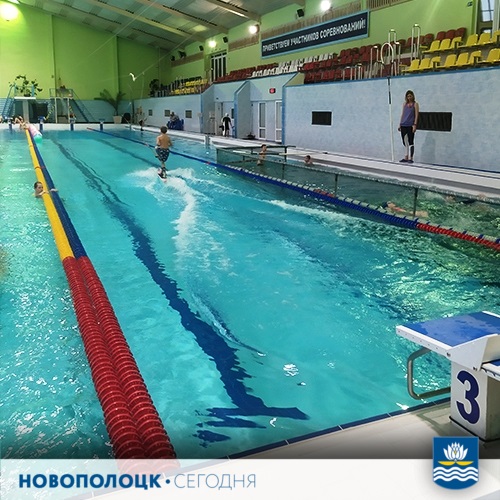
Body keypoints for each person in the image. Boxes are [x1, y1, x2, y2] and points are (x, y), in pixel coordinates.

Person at [398, 90, 419, 164]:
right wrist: (400, 124)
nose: (409, 97)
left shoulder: (415, 104)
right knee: (405, 142)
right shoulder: (405, 104)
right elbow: (403, 114)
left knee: (410, 141)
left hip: (410, 125)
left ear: (412, 96)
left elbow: (416, 115)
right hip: (403, 124)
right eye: (407, 96)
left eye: (410, 96)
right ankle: (406, 157)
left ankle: (411, 157)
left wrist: (415, 125)